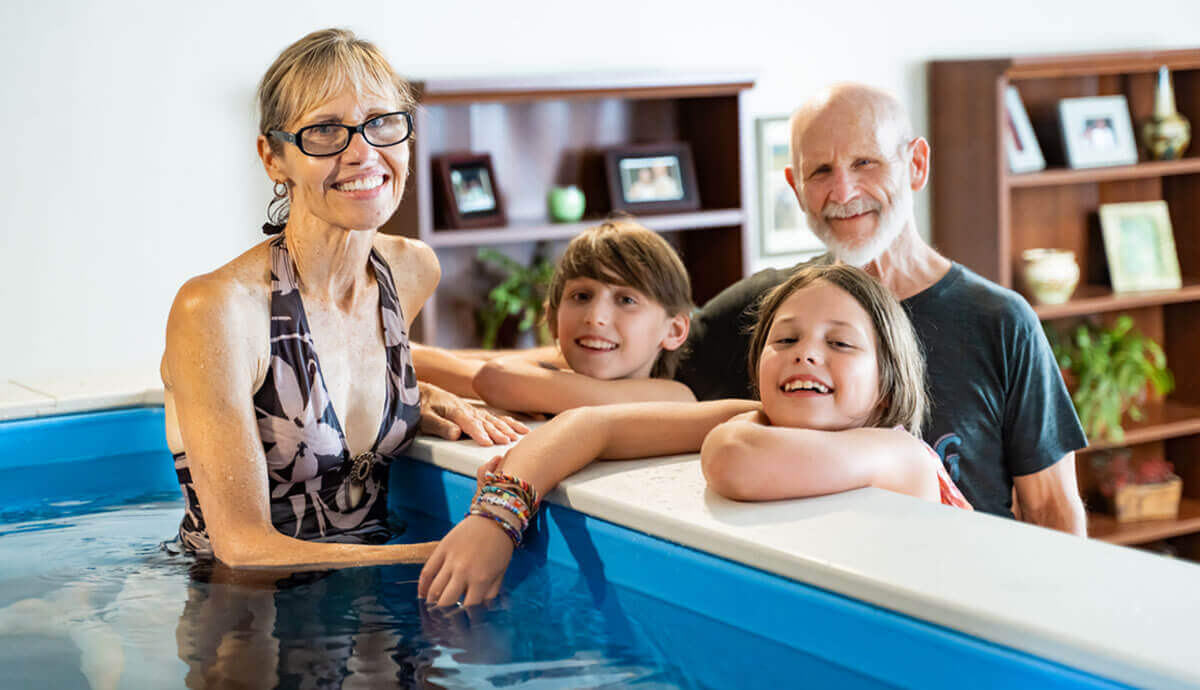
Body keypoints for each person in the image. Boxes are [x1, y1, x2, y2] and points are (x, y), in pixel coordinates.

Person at [160, 29, 527, 569]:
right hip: (245, 616)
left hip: (376, 607)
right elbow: (242, 549)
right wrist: (455, 552)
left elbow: (344, 373)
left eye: (381, 123)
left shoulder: (410, 270)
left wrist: (422, 398)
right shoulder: (219, 309)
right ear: (273, 158)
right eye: (326, 130)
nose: (363, 153)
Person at [417, 263, 970, 608]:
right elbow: (592, 425)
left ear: (886, 382)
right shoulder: (761, 419)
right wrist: (496, 516)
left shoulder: (899, 455)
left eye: (841, 344)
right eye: (786, 339)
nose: (807, 352)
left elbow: (734, 460)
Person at [674, 83, 1087, 533]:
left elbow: (1051, 509)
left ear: (916, 164)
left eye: (865, 163)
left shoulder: (1001, 321)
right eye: (820, 172)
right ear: (795, 187)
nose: (844, 191)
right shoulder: (763, 309)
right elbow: (651, 374)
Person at [471, 219, 695, 415]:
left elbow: (494, 377)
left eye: (626, 300)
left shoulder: (675, 398)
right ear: (552, 318)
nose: (595, 317)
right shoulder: (551, 387)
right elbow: (492, 378)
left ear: (673, 330)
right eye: (581, 296)